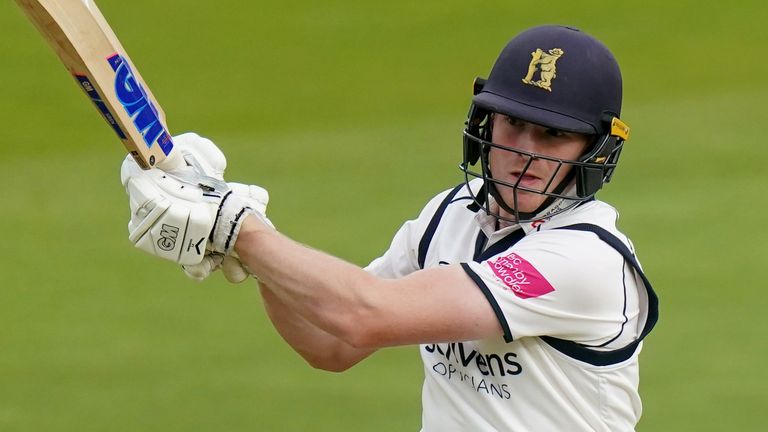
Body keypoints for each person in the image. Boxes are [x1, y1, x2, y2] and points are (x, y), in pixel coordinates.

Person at [120, 25, 659, 431]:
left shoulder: (586, 261)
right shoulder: (451, 215)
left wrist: (241, 229)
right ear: (485, 121)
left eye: (552, 136)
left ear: (595, 150)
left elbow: (363, 316)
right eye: (513, 123)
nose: (523, 152)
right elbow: (328, 344)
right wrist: (246, 244)